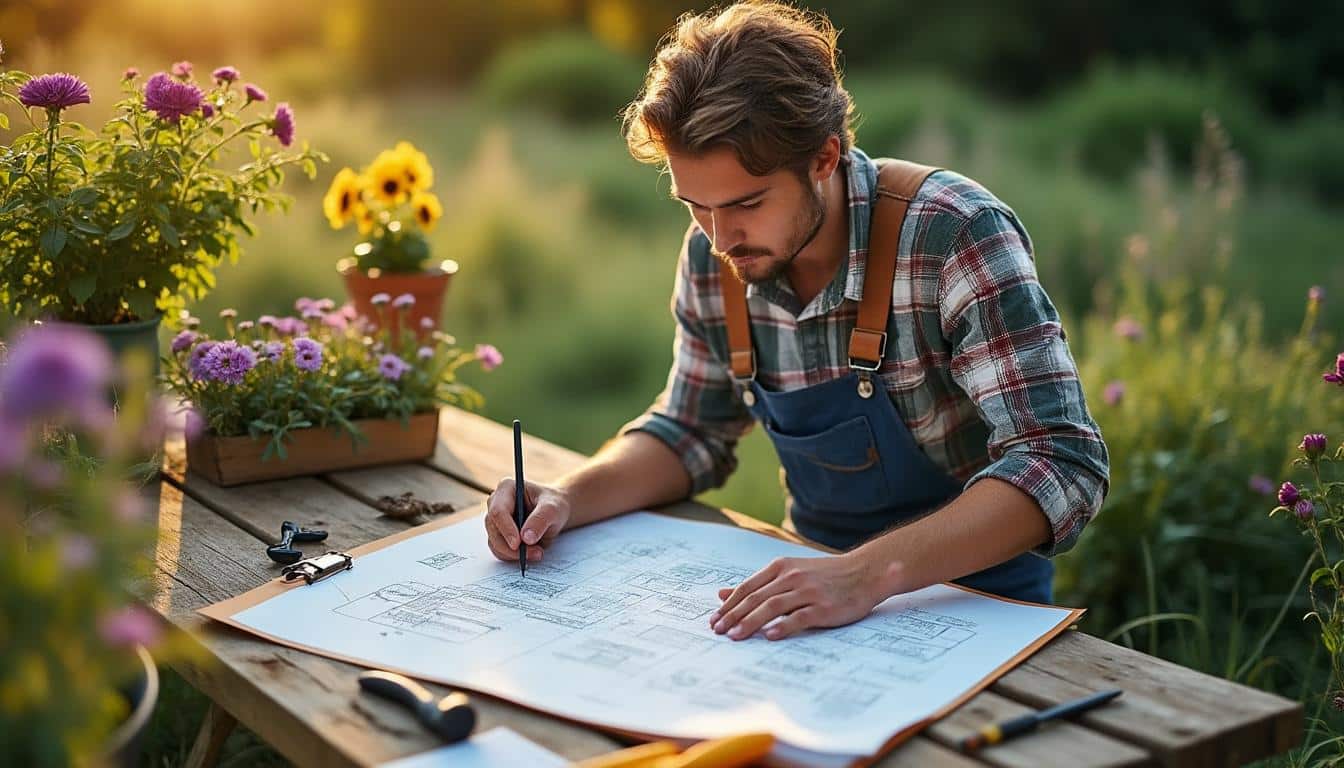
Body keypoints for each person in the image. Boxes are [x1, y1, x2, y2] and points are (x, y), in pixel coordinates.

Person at [484, 1, 1108, 642]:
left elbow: (1062, 461)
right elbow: (690, 428)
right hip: (809, 614)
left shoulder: (954, 235)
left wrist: (863, 576)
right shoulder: (716, 254)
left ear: (823, 158)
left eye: (746, 203)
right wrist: (566, 497)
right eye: (695, 206)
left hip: (980, 614)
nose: (721, 237)